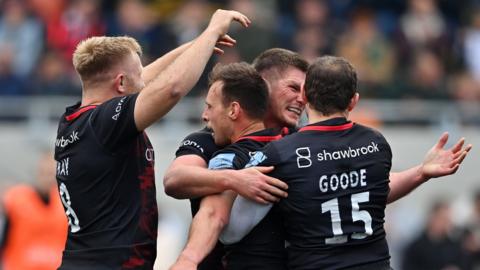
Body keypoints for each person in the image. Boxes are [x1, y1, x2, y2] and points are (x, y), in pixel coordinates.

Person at [165, 48, 472, 269]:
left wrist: (420, 172)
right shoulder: (211, 139)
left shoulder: (289, 147)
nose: (300, 97)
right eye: (292, 88)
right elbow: (181, 187)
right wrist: (230, 180)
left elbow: (364, 190)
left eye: (304, 90)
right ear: (261, 86)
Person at [54, 9, 251, 269]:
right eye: (138, 75)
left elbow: (145, 78)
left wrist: (199, 43)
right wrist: (212, 29)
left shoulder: (75, 121)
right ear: (121, 83)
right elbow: (170, 88)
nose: (145, 82)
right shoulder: (105, 123)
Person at [0, 152, 67, 270]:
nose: (46, 177)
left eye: (50, 173)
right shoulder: (16, 200)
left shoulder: (65, 202)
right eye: (43, 172)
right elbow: (4, 237)